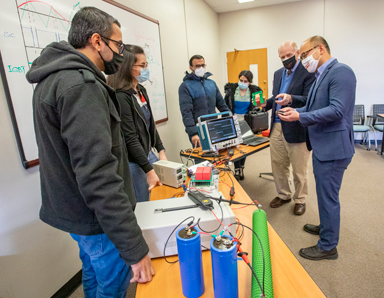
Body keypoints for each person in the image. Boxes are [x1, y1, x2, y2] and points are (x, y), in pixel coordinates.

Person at [26, 7, 154, 297]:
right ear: (97, 41)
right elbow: (98, 175)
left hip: (75, 211)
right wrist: (134, 247)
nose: (121, 53)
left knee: (93, 271)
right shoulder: (81, 85)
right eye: (118, 45)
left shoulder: (52, 77)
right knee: (113, 283)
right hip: (95, 217)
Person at [279, 36, 356, 260]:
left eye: (304, 54)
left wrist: (300, 116)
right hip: (322, 146)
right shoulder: (320, 75)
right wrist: (290, 100)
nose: (302, 60)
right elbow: (312, 105)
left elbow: (337, 110)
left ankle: (328, 246)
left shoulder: (341, 72)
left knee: (328, 196)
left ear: (320, 49)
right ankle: (326, 227)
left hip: (333, 148)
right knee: (323, 194)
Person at [259, 41, 315, 215]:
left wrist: (291, 99)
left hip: (296, 124)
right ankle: (284, 195)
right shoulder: (278, 73)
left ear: (297, 53)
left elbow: (310, 100)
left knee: (299, 168)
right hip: (276, 125)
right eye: (282, 57)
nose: (285, 59)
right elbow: (276, 97)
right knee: (278, 165)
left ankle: (300, 199)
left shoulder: (308, 72)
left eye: (288, 55)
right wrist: (265, 104)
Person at [107, 45, 167, 202]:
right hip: (134, 161)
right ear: (127, 67)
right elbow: (130, 137)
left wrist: (160, 150)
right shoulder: (121, 96)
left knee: (160, 195)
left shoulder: (140, 90)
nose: (145, 69)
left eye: (146, 65)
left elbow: (150, 124)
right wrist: (148, 170)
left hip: (148, 154)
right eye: (142, 65)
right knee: (145, 203)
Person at [179, 54, 230, 148]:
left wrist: (230, 121)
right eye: (197, 66)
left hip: (214, 126)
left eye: (203, 65)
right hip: (199, 130)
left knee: (219, 156)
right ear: (191, 68)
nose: (201, 68)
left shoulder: (211, 84)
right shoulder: (185, 86)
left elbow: (222, 105)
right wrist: (193, 133)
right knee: (203, 158)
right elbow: (186, 112)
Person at [224, 70, 262, 180]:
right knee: (236, 146)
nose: (243, 82)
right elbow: (224, 105)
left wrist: (255, 103)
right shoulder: (231, 90)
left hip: (247, 121)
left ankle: (241, 167)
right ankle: (236, 169)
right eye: (241, 80)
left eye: (246, 81)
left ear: (250, 82)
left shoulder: (255, 91)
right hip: (233, 121)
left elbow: (260, 107)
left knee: (245, 146)